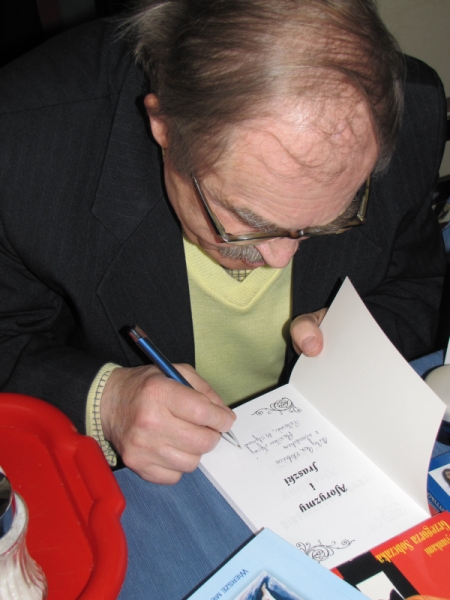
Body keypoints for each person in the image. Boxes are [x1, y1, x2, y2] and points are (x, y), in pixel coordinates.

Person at [0, 1, 447, 597]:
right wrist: (105, 400)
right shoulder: (20, 147)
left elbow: (417, 285)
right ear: (163, 125)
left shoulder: (413, 106)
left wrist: (353, 336)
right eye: (248, 221)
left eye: (329, 219)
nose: (281, 258)